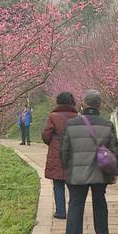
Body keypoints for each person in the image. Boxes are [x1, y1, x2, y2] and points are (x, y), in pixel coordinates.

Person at [61, 89, 118, 234]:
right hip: (101, 173)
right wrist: (114, 173)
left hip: (76, 174)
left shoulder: (71, 124)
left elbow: (65, 151)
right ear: (99, 105)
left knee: (75, 205)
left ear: (83, 104)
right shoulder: (107, 125)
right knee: (100, 202)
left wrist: (68, 169)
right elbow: (114, 151)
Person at [42, 92, 79, 220]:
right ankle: (74, 211)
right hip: (73, 152)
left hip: (56, 153)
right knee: (72, 184)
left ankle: (61, 212)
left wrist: (53, 142)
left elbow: (46, 135)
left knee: (58, 183)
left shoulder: (53, 116)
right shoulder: (77, 117)